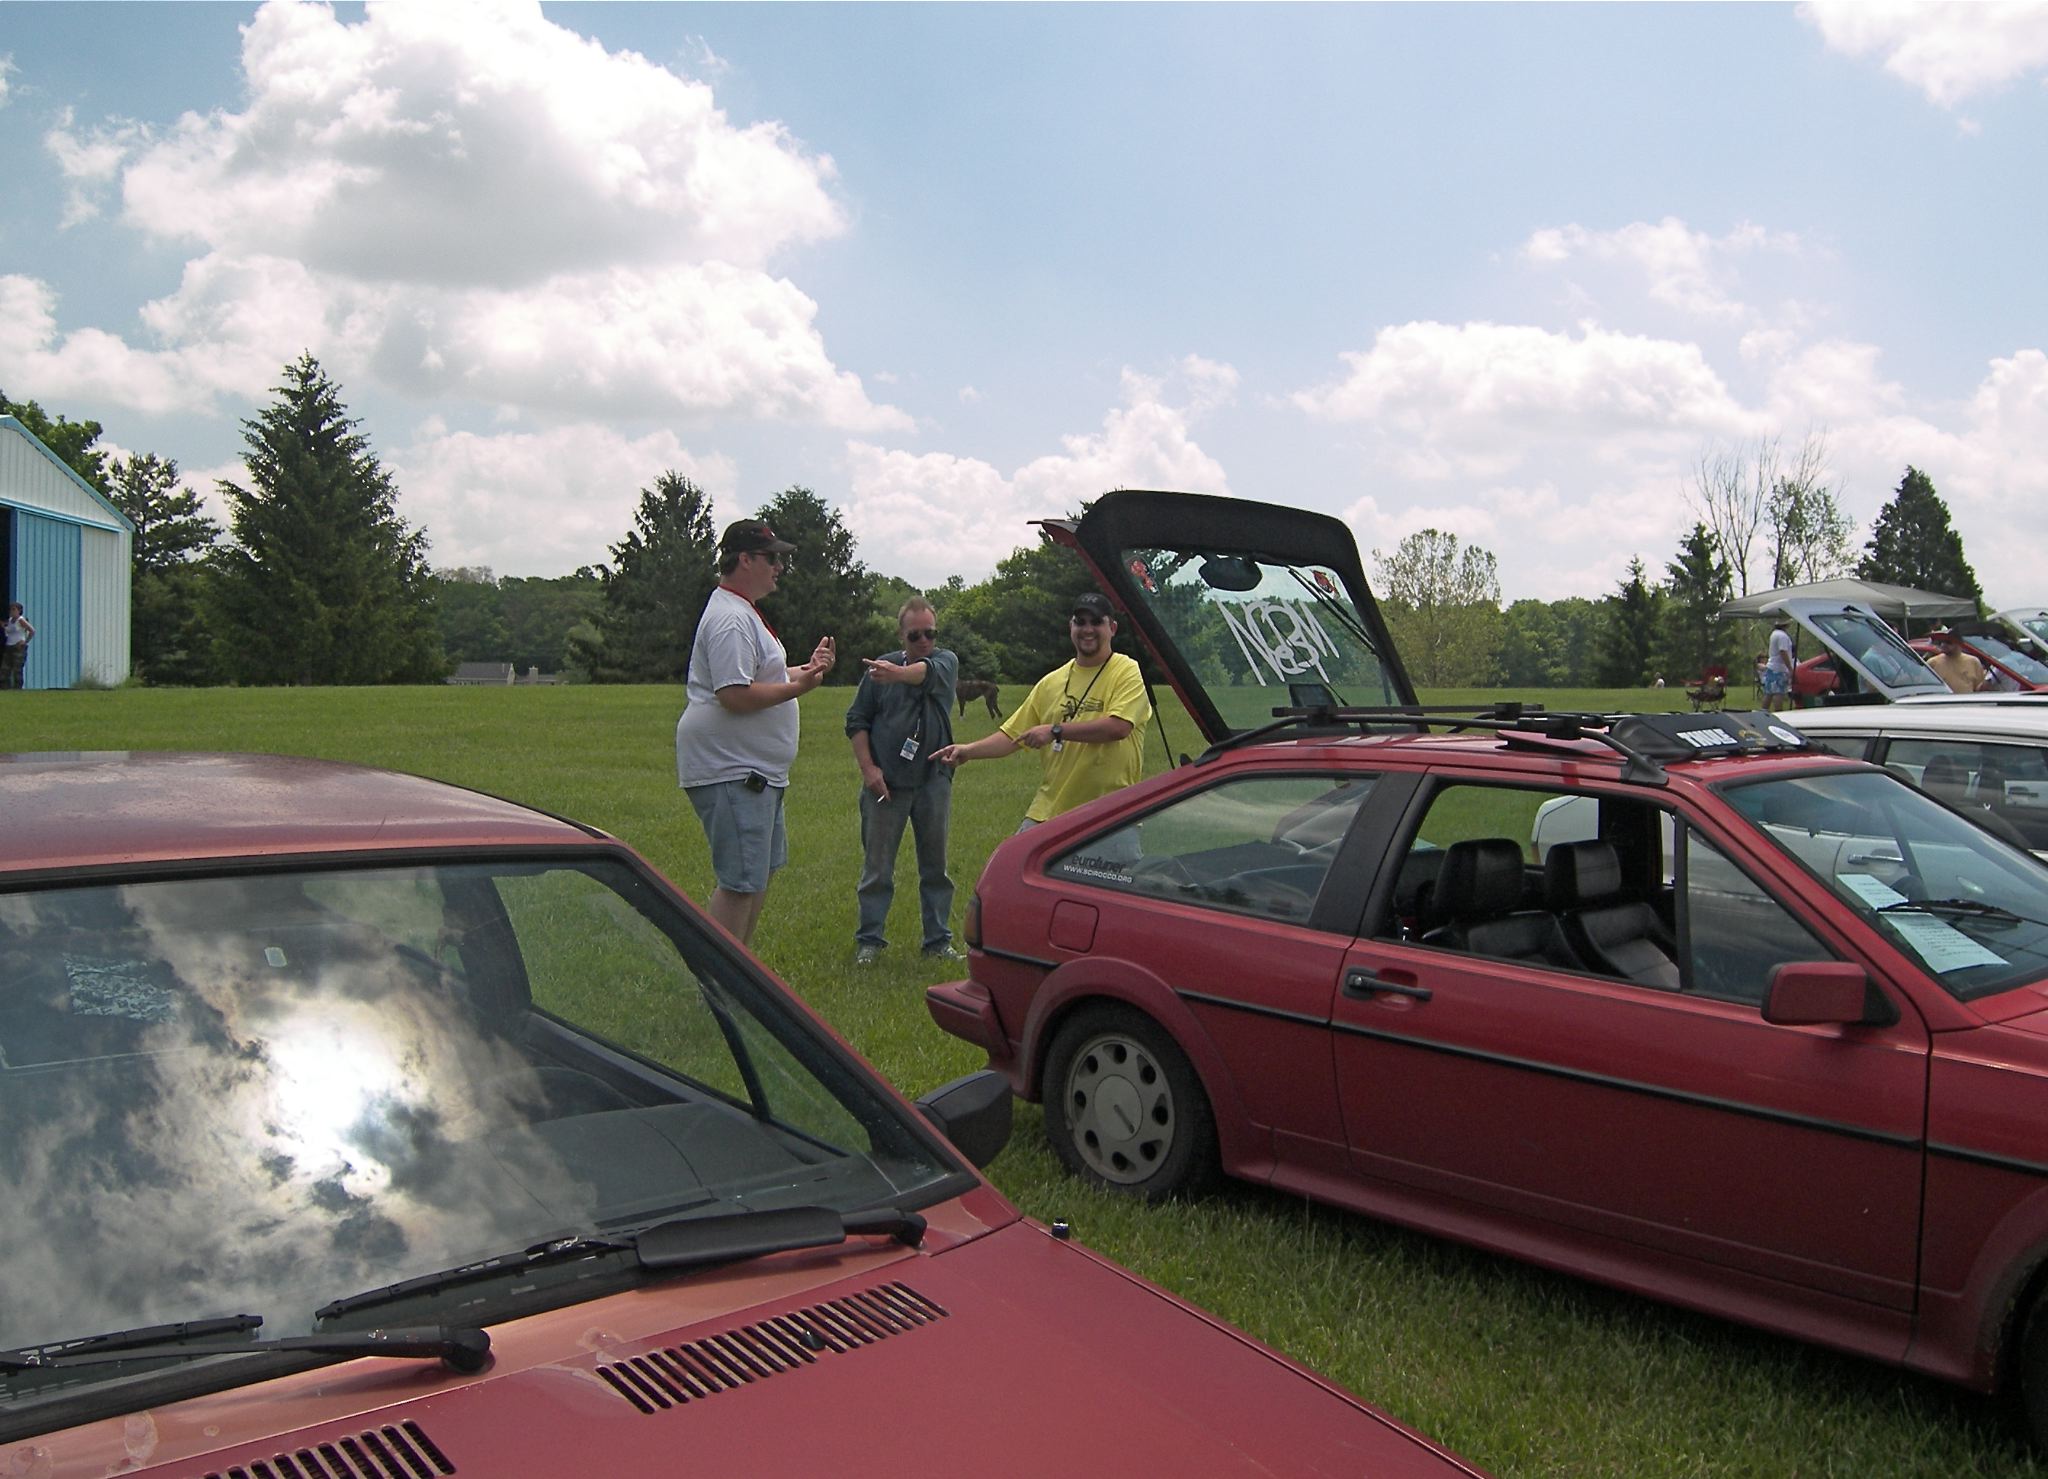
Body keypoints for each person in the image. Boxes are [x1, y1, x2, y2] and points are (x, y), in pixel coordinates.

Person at [676, 520, 834, 947]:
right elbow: (734, 694)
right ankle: (718, 976)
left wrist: (804, 671)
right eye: (771, 558)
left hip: (755, 773)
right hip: (733, 771)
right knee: (740, 883)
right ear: (744, 560)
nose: (779, 567)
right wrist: (799, 687)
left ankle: (738, 968)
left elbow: (761, 675)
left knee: (756, 875)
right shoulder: (730, 619)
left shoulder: (742, 612)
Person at [932, 591, 1151, 827]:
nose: (1088, 629)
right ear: (1071, 626)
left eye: (1096, 622)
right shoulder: (1050, 683)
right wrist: (968, 751)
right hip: (1049, 812)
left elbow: (1118, 727)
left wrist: (1056, 731)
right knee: (1014, 852)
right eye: (1080, 622)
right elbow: (1012, 736)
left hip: (1112, 814)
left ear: (1113, 628)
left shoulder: (1127, 671)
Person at [844, 597, 959, 966]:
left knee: (935, 867)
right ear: (901, 635)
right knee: (877, 868)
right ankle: (870, 941)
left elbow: (925, 673)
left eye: (930, 633)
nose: (924, 641)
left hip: (933, 780)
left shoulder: (945, 662)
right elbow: (857, 721)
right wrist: (869, 769)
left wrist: (897, 673)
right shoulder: (880, 671)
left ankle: (938, 941)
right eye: (915, 635)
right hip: (886, 785)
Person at [1925, 627, 1992, 694]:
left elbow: (1979, 689)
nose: (1943, 645)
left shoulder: (1973, 662)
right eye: (1941, 642)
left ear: (1959, 643)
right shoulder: (1933, 663)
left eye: (1948, 642)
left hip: (1968, 700)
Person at [1762, 618, 1795, 712]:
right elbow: (1783, 651)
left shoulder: (1774, 634)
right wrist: (1790, 668)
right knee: (1778, 693)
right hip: (1779, 668)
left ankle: (1763, 711)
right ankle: (1778, 712)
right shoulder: (1783, 636)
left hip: (1771, 667)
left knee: (1769, 692)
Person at [1, 603, 32, 691]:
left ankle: (17, 688)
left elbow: (32, 630)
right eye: (11, 609)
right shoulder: (10, 620)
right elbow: (7, 629)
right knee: (5, 669)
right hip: (9, 646)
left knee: (17, 669)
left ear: (19, 611)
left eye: (14, 609)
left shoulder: (21, 620)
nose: (12, 611)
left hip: (18, 647)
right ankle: (5, 688)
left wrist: (25, 641)